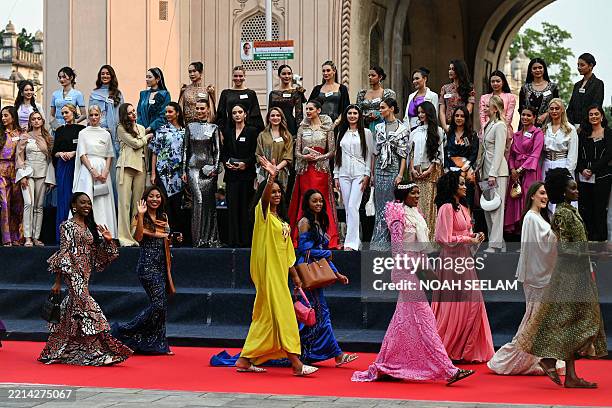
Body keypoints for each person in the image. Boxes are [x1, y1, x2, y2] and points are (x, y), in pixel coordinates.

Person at [352, 182, 474, 385]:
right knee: (425, 318)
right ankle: (448, 369)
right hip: (404, 271)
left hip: (416, 270)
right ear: (403, 194)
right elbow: (398, 251)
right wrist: (418, 268)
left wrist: (427, 272)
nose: (417, 196)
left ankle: (386, 362)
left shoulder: (416, 213)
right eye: (413, 192)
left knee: (402, 321)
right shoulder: (398, 214)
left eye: (418, 192)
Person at [518, 168, 607, 389]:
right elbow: (565, 248)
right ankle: (550, 360)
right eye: (573, 188)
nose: (577, 191)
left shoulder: (570, 211)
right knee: (582, 322)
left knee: (574, 322)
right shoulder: (562, 214)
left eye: (576, 187)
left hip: (578, 273)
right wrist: (595, 251)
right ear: (563, 192)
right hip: (569, 275)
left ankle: (571, 376)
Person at [235, 156, 318, 376]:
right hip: (268, 274)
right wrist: (271, 177)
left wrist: (295, 276)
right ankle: (296, 364)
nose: (277, 194)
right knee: (284, 316)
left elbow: (288, 251)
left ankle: (244, 360)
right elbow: (263, 200)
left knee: (266, 317)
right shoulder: (262, 216)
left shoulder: (281, 220)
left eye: (279, 191)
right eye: (273, 191)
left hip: (281, 275)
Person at [38, 192, 132, 366]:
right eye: (83, 203)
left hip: (85, 272)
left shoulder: (90, 227)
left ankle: (57, 349)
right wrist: (58, 281)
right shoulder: (66, 226)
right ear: (74, 205)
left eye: (89, 203)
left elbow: (97, 255)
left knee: (74, 311)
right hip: (72, 272)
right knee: (88, 307)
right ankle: (97, 352)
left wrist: (108, 241)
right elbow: (63, 253)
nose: (87, 206)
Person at [489, 182, 561, 375]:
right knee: (533, 320)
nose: (545, 197)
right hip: (537, 276)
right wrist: (559, 232)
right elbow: (541, 245)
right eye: (542, 193)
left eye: (546, 194)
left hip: (541, 275)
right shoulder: (531, 218)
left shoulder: (538, 217)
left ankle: (537, 357)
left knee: (537, 320)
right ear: (532, 196)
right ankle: (508, 359)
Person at [431, 171, 493, 362]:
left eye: (464, 183)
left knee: (473, 302)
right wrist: (469, 238)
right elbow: (443, 239)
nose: (465, 186)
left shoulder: (463, 208)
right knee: (454, 306)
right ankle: (444, 348)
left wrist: (477, 238)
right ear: (452, 187)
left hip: (465, 260)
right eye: (461, 184)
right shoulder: (446, 208)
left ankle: (465, 349)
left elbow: (467, 235)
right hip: (451, 263)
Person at [112, 186, 180, 354]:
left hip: (162, 266)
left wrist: (173, 238)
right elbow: (139, 237)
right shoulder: (139, 216)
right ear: (145, 199)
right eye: (151, 196)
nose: (155, 199)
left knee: (161, 307)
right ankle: (123, 330)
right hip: (147, 267)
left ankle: (157, 344)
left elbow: (165, 240)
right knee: (158, 305)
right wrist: (141, 215)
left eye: (158, 196)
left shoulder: (163, 217)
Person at [296, 189, 356, 366]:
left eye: (321, 201)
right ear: (307, 202)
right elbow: (304, 250)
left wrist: (337, 274)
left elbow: (324, 256)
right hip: (308, 273)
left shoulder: (319, 222)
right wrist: (326, 252)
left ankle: (309, 352)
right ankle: (336, 354)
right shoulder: (305, 222)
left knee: (316, 316)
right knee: (319, 314)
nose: (318, 204)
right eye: (315, 201)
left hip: (316, 272)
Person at [289, 100, 338, 248]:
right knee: (305, 200)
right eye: (306, 109)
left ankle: (326, 235)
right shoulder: (301, 128)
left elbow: (332, 151)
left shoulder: (327, 128)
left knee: (321, 201)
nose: (308, 111)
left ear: (318, 110)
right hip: (305, 170)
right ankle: (302, 235)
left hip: (321, 171)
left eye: (311, 109)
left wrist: (318, 157)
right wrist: (305, 157)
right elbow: (296, 152)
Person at [370, 98, 409, 250]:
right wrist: (373, 173)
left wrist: (400, 175)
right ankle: (379, 242)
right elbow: (375, 152)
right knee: (380, 205)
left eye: (382, 107)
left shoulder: (403, 128)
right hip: (380, 169)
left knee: (393, 205)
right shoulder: (379, 127)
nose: (380, 110)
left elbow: (404, 154)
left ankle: (394, 241)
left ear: (391, 108)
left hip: (394, 169)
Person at [73, 105, 117, 238]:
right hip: (87, 170)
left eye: (96, 115)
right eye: (91, 115)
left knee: (102, 200)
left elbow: (109, 154)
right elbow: (82, 153)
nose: (93, 117)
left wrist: (105, 172)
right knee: (86, 199)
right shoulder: (83, 133)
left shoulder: (106, 134)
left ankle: (104, 231)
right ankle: (84, 232)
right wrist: (92, 171)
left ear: (100, 116)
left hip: (103, 171)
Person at [182, 99, 222, 248]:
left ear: (207, 110)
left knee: (209, 204)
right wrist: (183, 170)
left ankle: (209, 238)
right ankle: (197, 239)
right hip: (193, 168)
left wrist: (215, 169)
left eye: (202, 108)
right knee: (198, 200)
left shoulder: (214, 128)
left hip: (208, 170)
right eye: (197, 108)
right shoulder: (190, 127)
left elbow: (217, 150)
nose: (199, 111)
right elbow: (185, 150)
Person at [334, 105, 374, 251]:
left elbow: (369, 155)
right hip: (344, 173)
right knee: (347, 208)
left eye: (355, 113)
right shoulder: (341, 133)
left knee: (353, 206)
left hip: (359, 173)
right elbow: (338, 155)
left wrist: (367, 174)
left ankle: (350, 243)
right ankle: (354, 240)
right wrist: (336, 175)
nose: (352, 116)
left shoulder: (367, 133)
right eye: (349, 113)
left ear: (359, 115)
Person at [150, 102, 187, 243]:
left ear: (177, 113)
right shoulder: (161, 130)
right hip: (162, 173)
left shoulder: (185, 131)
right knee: (164, 205)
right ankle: (165, 235)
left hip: (178, 174)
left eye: (170, 112)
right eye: (166, 112)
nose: (167, 114)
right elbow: (155, 152)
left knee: (177, 204)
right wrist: (153, 173)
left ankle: (178, 236)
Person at [221, 104, 258, 247]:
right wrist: (225, 163)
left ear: (245, 114)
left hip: (246, 175)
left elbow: (255, 153)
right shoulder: (228, 131)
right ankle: (233, 240)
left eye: (240, 112)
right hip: (231, 175)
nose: (237, 115)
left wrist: (246, 164)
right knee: (232, 208)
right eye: (234, 112)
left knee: (245, 208)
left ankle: (245, 240)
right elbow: (224, 152)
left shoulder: (252, 131)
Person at [16, 112, 55, 247]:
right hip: (28, 172)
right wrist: (22, 175)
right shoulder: (25, 136)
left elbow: (50, 159)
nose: (36, 121)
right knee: (28, 203)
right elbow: (19, 156)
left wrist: (51, 179)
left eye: (39, 119)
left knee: (39, 206)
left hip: (43, 173)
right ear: (30, 122)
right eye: (33, 119)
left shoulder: (48, 137)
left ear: (42, 121)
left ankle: (36, 237)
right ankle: (27, 237)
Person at [504, 107, 545, 234]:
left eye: (528, 115)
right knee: (515, 199)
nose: (525, 118)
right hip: (515, 173)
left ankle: (529, 233)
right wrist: (512, 170)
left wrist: (520, 170)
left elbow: (535, 154)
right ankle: (517, 233)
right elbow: (511, 155)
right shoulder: (516, 135)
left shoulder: (537, 133)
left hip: (530, 172)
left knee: (528, 200)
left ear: (534, 118)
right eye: (523, 115)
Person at [576, 105, 612, 242]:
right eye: (591, 114)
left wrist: (593, 169)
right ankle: (589, 239)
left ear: (602, 116)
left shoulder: (608, 133)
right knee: (586, 209)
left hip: (602, 176)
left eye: (596, 114)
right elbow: (577, 154)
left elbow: (608, 155)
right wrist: (582, 169)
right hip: (584, 177)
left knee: (600, 209)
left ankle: (601, 241)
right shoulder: (582, 134)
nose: (594, 116)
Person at [409, 101, 444, 237]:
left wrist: (429, 170)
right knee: (416, 208)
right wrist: (412, 168)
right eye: (419, 112)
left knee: (429, 208)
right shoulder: (415, 132)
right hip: (416, 174)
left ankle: (430, 239)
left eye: (423, 112)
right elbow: (410, 152)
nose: (420, 115)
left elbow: (438, 154)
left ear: (429, 113)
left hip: (431, 174)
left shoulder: (438, 131)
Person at [478, 95, 509, 252]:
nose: (484, 108)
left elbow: (499, 151)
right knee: (487, 208)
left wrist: (493, 174)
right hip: (485, 171)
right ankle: (498, 242)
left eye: (487, 106)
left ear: (495, 109)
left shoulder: (500, 126)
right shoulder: (488, 125)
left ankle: (495, 244)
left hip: (497, 173)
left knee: (496, 209)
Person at [116, 103, 149, 247]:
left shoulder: (141, 128)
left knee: (138, 204)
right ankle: (124, 237)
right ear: (125, 115)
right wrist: (146, 137)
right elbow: (135, 144)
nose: (133, 114)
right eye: (129, 113)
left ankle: (135, 234)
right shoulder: (121, 128)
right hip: (125, 166)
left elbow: (143, 149)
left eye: (134, 111)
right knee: (124, 203)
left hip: (141, 167)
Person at [51, 104, 86, 243]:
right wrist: (60, 153)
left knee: (77, 198)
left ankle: (78, 235)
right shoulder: (59, 130)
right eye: (62, 113)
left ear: (73, 112)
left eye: (66, 112)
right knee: (63, 199)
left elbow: (85, 149)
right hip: (63, 166)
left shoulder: (82, 130)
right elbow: (54, 151)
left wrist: (74, 153)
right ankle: (62, 236)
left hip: (77, 165)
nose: (64, 115)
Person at [541, 98, 578, 202]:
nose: (554, 111)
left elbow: (573, 154)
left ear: (562, 110)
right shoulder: (545, 128)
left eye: (557, 108)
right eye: (551, 108)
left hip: (562, 164)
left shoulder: (570, 129)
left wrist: (567, 173)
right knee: (546, 195)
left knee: (561, 196)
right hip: (547, 164)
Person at [444, 106, 479, 208]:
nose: (459, 118)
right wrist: (449, 169)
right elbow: (445, 153)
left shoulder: (472, 135)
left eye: (462, 116)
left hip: (467, 173)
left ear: (466, 118)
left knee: (467, 203)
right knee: (450, 202)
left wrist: (462, 170)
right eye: (457, 115)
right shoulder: (448, 133)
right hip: (450, 172)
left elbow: (473, 154)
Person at [0, 106, 24, 246]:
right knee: (4, 203)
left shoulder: (20, 133)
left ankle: (17, 237)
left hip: (16, 170)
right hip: (1, 169)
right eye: (2, 116)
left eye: (6, 115)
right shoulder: (1, 132)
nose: (3, 118)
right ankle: (6, 238)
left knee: (17, 203)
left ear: (13, 117)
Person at [216, 66, 264, 134]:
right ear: (232, 77)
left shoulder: (250, 93)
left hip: (247, 130)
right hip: (229, 130)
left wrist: (256, 131)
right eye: (235, 76)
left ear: (244, 77)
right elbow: (221, 114)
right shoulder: (225, 93)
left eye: (240, 76)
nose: (238, 78)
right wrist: (220, 131)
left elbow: (255, 113)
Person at [89, 65, 124, 155]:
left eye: (108, 74)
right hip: (98, 129)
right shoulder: (94, 93)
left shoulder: (118, 93)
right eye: (102, 74)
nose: (105, 76)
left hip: (114, 131)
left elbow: (121, 113)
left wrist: (115, 129)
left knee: (112, 157)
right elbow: (91, 112)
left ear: (112, 76)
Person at [255, 107, 293, 190]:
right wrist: (269, 167)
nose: (275, 118)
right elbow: (258, 154)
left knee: (279, 196)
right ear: (269, 118)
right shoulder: (262, 135)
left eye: (278, 115)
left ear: (281, 118)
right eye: (272, 115)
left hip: (281, 172)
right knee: (264, 196)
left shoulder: (287, 135)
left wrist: (276, 169)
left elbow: (288, 156)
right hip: (265, 171)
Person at [479, 70, 516, 151]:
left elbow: (508, 118)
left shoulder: (510, 97)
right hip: (486, 132)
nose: (495, 83)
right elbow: (482, 117)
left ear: (503, 82)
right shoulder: (484, 97)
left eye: (498, 81)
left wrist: (499, 129)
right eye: (492, 81)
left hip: (504, 132)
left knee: (502, 159)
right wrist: (486, 130)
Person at [567, 53, 605, 128]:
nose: (579, 67)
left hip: (589, 126)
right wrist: (570, 125)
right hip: (573, 126)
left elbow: (596, 106)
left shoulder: (598, 84)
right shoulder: (577, 85)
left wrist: (583, 126)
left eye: (582, 65)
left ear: (590, 66)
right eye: (578, 65)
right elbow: (570, 107)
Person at [519, 58, 559, 128]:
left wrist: (546, 114)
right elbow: (521, 109)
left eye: (540, 68)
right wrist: (529, 118)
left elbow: (558, 107)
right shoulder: (525, 88)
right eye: (534, 68)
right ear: (531, 71)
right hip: (527, 126)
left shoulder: (553, 87)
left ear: (544, 69)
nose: (537, 70)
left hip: (547, 126)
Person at [268, 64, 306, 136]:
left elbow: (299, 115)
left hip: (291, 125)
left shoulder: (296, 92)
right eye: (284, 74)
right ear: (279, 75)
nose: (287, 76)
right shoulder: (273, 94)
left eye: (289, 74)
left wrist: (299, 132)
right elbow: (270, 114)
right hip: (276, 126)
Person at [308, 61, 350, 125]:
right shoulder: (317, 89)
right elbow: (310, 105)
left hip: (337, 123)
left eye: (328, 70)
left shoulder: (342, 88)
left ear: (334, 71)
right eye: (323, 71)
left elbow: (346, 107)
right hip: (319, 123)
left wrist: (338, 121)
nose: (325, 73)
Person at [355, 66, 396, 132]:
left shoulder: (387, 93)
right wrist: (366, 117)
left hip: (381, 126)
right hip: (364, 126)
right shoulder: (362, 93)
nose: (370, 77)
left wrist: (378, 115)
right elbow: (357, 110)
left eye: (373, 75)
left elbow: (390, 111)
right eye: (369, 75)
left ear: (380, 77)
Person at [439, 60, 475, 133]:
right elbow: (442, 110)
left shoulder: (469, 88)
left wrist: (459, 122)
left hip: (463, 126)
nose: (450, 71)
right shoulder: (445, 88)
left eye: (453, 69)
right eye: (449, 69)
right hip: (448, 126)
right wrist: (445, 127)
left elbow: (469, 109)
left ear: (460, 70)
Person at [137, 67, 171, 138]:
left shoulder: (164, 94)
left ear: (157, 79)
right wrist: (141, 129)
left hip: (158, 132)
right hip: (143, 132)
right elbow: (139, 113)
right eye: (146, 77)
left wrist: (151, 127)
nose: (147, 79)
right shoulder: (143, 94)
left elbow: (164, 115)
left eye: (150, 77)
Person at [49, 67, 86, 131]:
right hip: (56, 128)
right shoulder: (55, 94)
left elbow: (84, 115)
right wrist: (56, 126)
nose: (61, 79)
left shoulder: (78, 94)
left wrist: (73, 123)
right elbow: (51, 115)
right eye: (60, 77)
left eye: (64, 77)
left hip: (71, 128)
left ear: (71, 78)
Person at [404, 67, 439, 131]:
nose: (414, 81)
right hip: (409, 130)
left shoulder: (433, 96)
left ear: (425, 79)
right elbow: (406, 117)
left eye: (417, 78)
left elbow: (434, 116)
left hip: (426, 130)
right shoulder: (411, 96)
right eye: (413, 79)